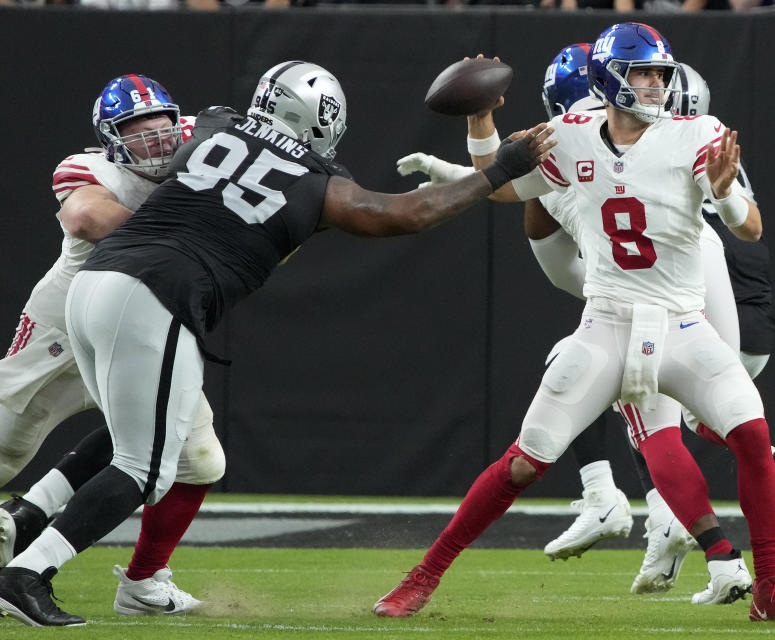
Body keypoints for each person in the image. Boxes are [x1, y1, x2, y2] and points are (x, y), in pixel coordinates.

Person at [0, 60, 554, 627]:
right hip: (155, 295)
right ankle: (25, 574)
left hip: (96, 285)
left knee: (177, 452)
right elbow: (407, 213)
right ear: (322, 119)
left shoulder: (215, 124)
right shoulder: (317, 183)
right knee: (142, 467)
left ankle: (75, 544)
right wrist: (498, 169)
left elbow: (192, 146)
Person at [374, 23, 775, 623]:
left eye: (661, 74)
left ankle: (771, 588)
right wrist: (478, 119)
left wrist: (725, 196)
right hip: (607, 323)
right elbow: (499, 184)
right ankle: (421, 578)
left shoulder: (697, 134)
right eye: (643, 73)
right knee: (523, 462)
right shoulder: (569, 136)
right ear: (611, 78)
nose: (656, 85)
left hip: (682, 323)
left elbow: (750, 227)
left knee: (751, 432)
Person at [0, 74, 223, 617]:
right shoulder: (86, 168)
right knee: (6, 449)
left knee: (197, 459)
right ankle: (26, 514)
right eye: (136, 131)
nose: (156, 140)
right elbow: (86, 216)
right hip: (64, 323)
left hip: (144, 323)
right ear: (110, 138)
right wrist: (196, 230)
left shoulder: (207, 136)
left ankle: (143, 582)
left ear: (179, 120)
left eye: (162, 126)